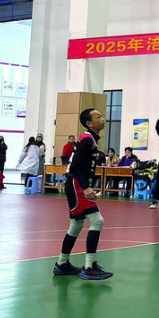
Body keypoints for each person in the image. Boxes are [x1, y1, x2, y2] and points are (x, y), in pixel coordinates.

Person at [53, 107, 113, 280]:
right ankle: (89, 266)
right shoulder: (87, 139)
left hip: (75, 183)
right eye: (98, 117)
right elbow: (75, 166)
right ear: (89, 123)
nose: (102, 119)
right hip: (76, 184)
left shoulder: (91, 139)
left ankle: (62, 264)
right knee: (97, 220)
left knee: (76, 225)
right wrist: (85, 187)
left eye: (101, 116)